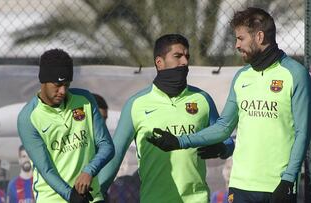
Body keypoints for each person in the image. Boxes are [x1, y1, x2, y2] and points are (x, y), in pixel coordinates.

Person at [147, 7, 311, 203]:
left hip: (278, 185)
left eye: (241, 38)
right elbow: (224, 126)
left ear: (259, 37)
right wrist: (180, 141)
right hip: (240, 184)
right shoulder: (242, 77)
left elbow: (303, 133)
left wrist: (288, 178)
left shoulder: (295, 74)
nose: (236, 45)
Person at [98, 34, 234, 203]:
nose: (184, 62)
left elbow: (228, 141)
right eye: (177, 56)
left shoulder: (202, 99)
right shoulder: (136, 104)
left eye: (187, 56)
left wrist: (221, 148)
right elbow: (115, 154)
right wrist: (97, 194)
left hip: (197, 199)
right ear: (159, 62)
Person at [17, 48, 115, 203]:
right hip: (53, 198)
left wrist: (89, 171)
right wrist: (71, 195)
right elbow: (46, 169)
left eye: (67, 85)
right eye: (58, 84)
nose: (63, 91)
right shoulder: (28, 118)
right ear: (44, 80)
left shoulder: (85, 99)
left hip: (91, 196)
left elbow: (107, 146)